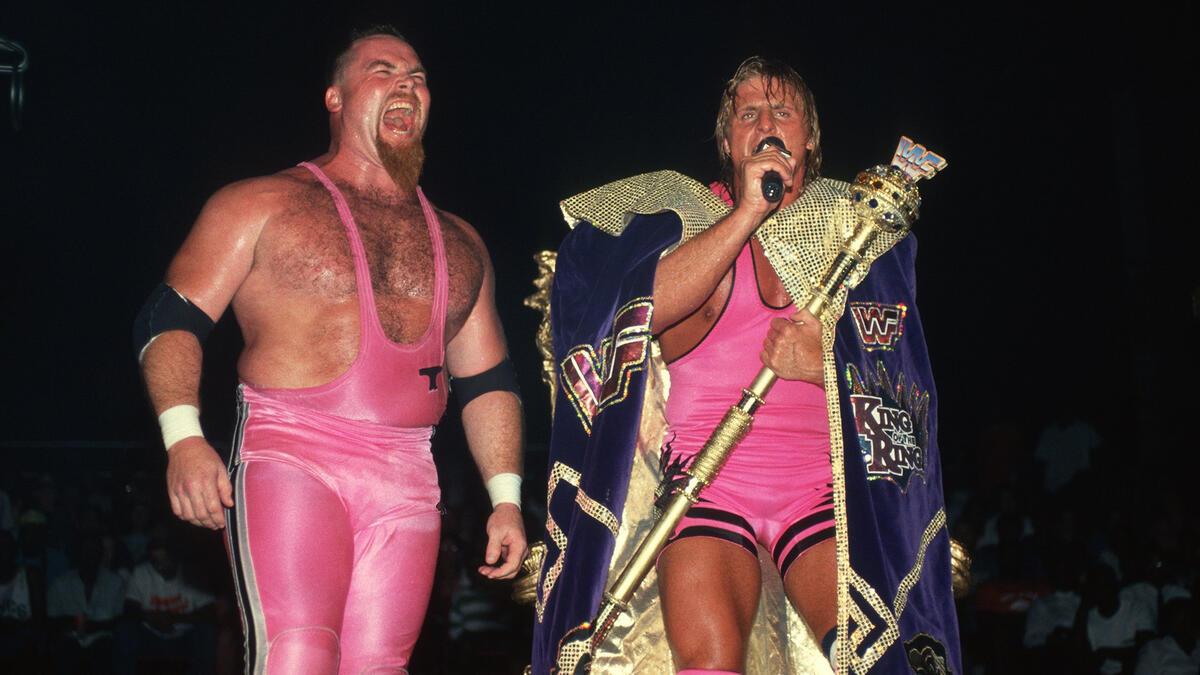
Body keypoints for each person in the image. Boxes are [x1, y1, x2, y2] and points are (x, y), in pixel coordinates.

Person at [533, 57, 958, 674]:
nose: (765, 122)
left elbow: (909, 393)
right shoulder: (677, 217)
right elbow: (637, 313)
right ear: (728, 139)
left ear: (808, 137)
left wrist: (825, 366)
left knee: (874, 656)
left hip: (824, 490)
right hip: (708, 487)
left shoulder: (855, 230)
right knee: (709, 661)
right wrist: (747, 215)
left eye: (782, 111)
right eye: (748, 113)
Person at [133, 25, 527, 673]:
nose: (407, 83)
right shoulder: (260, 204)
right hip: (294, 454)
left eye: (418, 76)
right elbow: (166, 319)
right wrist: (183, 437)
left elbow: (488, 379)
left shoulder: (461, 242)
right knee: (298, 656)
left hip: (407, 476)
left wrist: (506, 498)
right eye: (383, 70)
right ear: (335, 98)